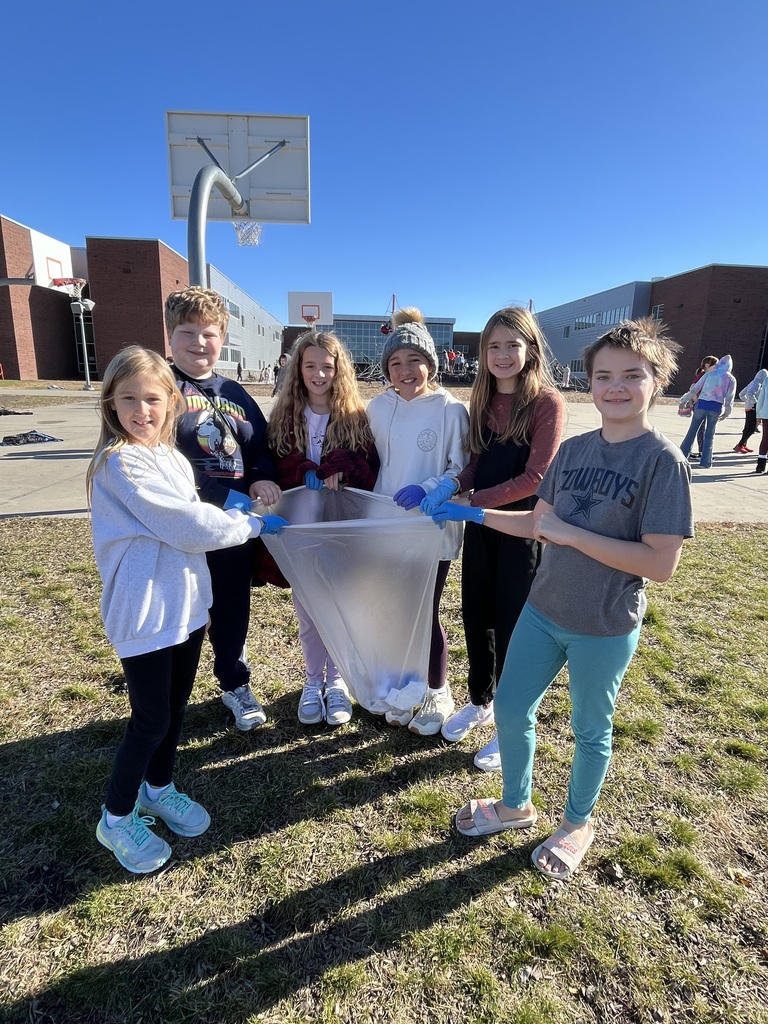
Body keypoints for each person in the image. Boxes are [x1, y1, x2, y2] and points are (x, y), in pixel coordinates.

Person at [430, 318, 693, 881]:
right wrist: (474, 512)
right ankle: (515, 804)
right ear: (589, 382)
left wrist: (576, 537)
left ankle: (577, 823)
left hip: (603, 624)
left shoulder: (662, 463)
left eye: (632, 375)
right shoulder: (572, 452)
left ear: (659, 380)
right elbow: (538, 525)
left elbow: (660, 564)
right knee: (510, 706)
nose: (616, 387)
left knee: (591, 730)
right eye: (603, 376)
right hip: (542, 611)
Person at [88, 346, 286, 873]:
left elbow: (198, 507)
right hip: (146, 612)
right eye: (128, 399)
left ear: (170, 401)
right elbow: (184, 525)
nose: (142, 410)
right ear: (111, 403)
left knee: (174, 709)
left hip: (186, 607)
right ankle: (116, 817)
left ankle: (158, 787)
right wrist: (251, 526)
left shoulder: (171, 457)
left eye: (152, 399)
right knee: (149, 719)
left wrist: (238, 504)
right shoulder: (120, 462)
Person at [428, 307, 566, 772]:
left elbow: (535, 476)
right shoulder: (482, 401)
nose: (503, 354)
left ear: (530, 349)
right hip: (481, 527)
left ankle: (512, 722)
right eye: (494, 346)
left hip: (522, 530)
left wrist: (473, 502)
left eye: (512, 345)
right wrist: (451, 486)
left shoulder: (546, 402)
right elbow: (474, 462)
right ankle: (481, 700)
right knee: (476, 614)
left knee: (513, 626)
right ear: (482, 352)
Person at [165, 286, 279, 732]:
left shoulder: (237, 392)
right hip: (184, 530)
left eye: (208, 333)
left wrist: (261, 477)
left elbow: (259, 448)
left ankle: (234, 682)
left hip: (232, 531)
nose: (198, 342)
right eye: (186, 332)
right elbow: (164, 460)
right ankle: (168, 697)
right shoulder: (161, 389)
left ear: (222, 338)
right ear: (170, 336)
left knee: (232, 609)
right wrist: (223, 495)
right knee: (184, 618)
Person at [267, 331, 380, 725]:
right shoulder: (284, 415)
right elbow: (276, 467)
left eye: (327, 367)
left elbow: (370, 470)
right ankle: (313, 680)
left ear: (339, 370)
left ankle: (338, 682)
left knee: (341, 609)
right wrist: (302, 469)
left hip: (341, 530)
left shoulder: (354, 417)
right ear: (298, 369)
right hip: (300, 532)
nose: (318, 374)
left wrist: (343, 467)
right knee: (310, 612)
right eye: (310, 365)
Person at [366, 307, 470, 734]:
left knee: (425, 611)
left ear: (431, 364)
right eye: (395, 363)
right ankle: (406, 684)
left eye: (414, 361)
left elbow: (459, 468)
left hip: (430, 529)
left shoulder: (449, 410)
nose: (405, 370)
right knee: (395, 610)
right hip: (386, 527)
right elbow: (368, 462)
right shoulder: (377, 407)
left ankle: (437, 689)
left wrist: (428, 488)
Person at [678, 355, 736, 469]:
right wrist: (727, 412)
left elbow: (695, 389)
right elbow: (730, 397)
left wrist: (684, 400)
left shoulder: (709, 374)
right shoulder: (731, 379)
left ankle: (682, 456)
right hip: (716, 407)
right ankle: (706, 462)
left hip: (702, 404)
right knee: (710, 435)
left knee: (692, 431)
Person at [686, 356, 718, 459]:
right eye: (715, 365)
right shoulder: (703, 374)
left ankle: (691, 451)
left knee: (699, 428)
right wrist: (696, 399)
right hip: (701, 404)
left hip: (703, 403)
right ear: (707, 365)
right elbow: (692, 387)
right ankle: (702, 452)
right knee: (700, 428)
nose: (717, 368)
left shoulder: (706, 375)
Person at [734, 368, 768, 454]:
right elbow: (750, 393)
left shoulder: (752, 382)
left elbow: (741, 394)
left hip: (749, 407)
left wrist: (747, 402)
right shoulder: (758, 383)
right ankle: (740, 445)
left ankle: (743, 444)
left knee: (748, 427)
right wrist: (754, 403)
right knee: (751, 428)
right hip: (753, 408)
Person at [754, 373, 768, 473]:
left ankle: (760, 465)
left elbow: (761, 398)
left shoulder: (767, 379)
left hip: (766, 413)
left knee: (765, 438)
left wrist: (758, 414)